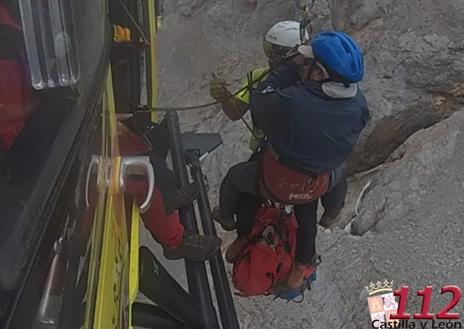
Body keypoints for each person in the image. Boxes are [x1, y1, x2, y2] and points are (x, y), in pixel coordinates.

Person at [214, 31, 369, 289]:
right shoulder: (358, 105)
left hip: (277, 179)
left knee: (236, 179)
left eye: (309, 63)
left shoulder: (295, 101)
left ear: (319, 73)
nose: (304, 64)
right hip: (315, 183)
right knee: (312, 205)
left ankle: (233, 224)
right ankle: (308, 252)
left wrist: (289, 69)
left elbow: (260, 98)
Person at [117, 115, 221, 261]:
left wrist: (114, 119)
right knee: (150, 175)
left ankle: (168, 195)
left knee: (158, 135)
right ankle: (175, 243)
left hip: (99, 137)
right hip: (95, 166)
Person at [209, 20, 309, 154]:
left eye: (273, 52)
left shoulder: (309, 82)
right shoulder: (257, 77)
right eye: (268, 50)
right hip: (264, 151)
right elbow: (235, 113)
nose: (269, 57)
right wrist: (224, 97)